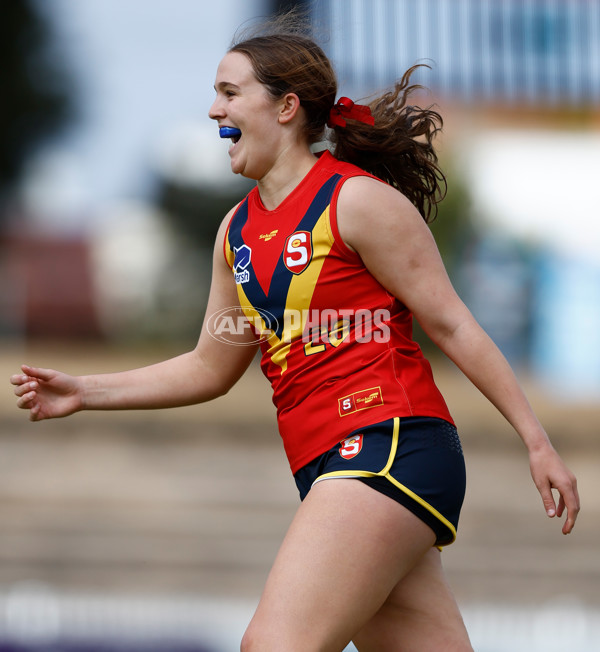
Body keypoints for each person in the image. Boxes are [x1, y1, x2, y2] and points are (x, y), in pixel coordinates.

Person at [11, 13, 579, 652]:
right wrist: (84, 390)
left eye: (229, 93)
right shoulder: (237, 231)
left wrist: (536, 441)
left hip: (387, 443)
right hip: (329, 466)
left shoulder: (356, 202)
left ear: (285, 107)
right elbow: (209, 366)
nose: (211, 110)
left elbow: (452, 322)